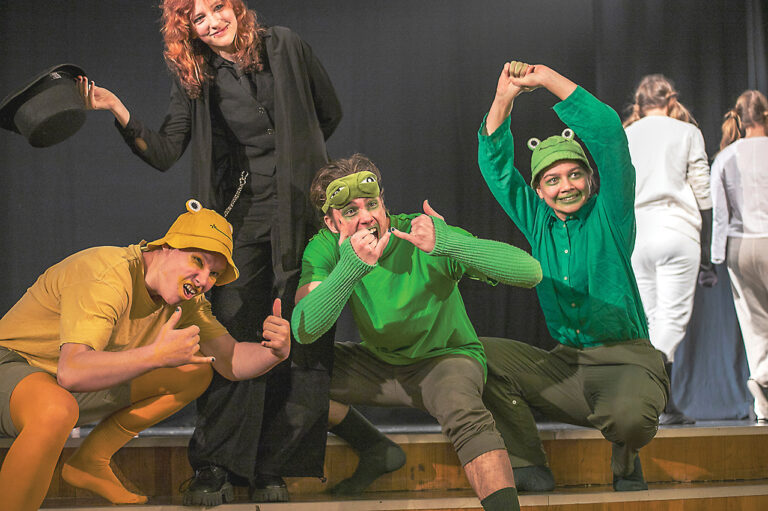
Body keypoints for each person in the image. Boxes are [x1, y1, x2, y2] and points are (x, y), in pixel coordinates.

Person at [78, 0, 342, 504]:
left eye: (218, 7)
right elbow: (164, 151)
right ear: (190, 30)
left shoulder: (287, 45)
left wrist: (296, 159)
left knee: (300, 333)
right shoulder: (197, 77)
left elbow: (328, 113)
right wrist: (116, 109)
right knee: (233, 331)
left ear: (236, 7)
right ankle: (216, 465)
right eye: (199, 18)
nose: (213, 21)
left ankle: (272, 466)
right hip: (243, 218)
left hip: (303, 215)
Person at [0, 200, 290, 511]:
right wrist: (155, 355)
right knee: (55, 409)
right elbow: (71, 371)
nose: (204, 280)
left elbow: (230, 359)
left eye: (214, 273)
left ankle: (91, 460)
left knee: (194, 372)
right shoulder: (106, 274)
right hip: (15, 365)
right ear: (166, 248)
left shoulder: (188, 302)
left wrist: (274, 352)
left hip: (64, 385)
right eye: (198, 261)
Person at [291, 154, 543, 511]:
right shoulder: (325, 247)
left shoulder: (421, 233)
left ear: (383, 202)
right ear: (332, 223)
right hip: (379, 366)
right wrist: (350, 268)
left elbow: (530, 273)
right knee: (294, 370)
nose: (366, 217)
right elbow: (304, 329)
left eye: (371, 204)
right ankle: (375, 448)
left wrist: (449, 243)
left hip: (445, 359)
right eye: (349, 211)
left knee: (463, 409)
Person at [476, 61, 669, 493]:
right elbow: (496, 167)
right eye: (552, 179)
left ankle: (626, 458)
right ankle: (529, 464)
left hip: (626, 361)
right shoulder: (538, 222)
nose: (566, 186)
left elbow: (608, 133)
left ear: (589, 178)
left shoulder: (611, 214)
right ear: (539, 190)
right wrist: (504, 98)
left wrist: (546, 79)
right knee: (475, 355)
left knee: (631, 419)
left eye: (574, 174)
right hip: (567, 366)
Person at [623, 74, 715, 425]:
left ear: (639, 103)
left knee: (650, 319)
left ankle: (663, 404)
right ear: (671, 100)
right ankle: (654, 393)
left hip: (638, 233)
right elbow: (703, 191)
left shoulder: (627, 134)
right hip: (677, 229)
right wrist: (707, 251)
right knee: (671, 321)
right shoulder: (687, 132)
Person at [711, 90, 768, 422]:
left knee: (754, 322)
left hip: (741, 246)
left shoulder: (726, 156)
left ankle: (763, 397)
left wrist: (715, 257)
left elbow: (721, 214)